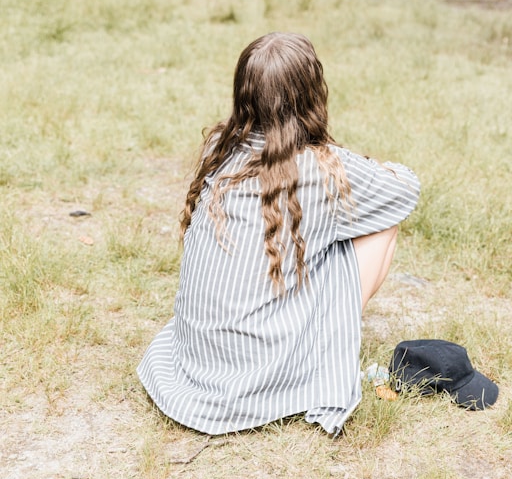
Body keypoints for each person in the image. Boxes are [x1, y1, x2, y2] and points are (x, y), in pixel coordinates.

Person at [137, 32, 420, 436]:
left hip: (192, 365)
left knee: (333, 229)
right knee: (380, 222)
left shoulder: (219, 145)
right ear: (311, 94)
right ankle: (326, 347)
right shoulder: (321, 168)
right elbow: (405, 188)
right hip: (252, 376)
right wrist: (364, 163)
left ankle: (315, 334)